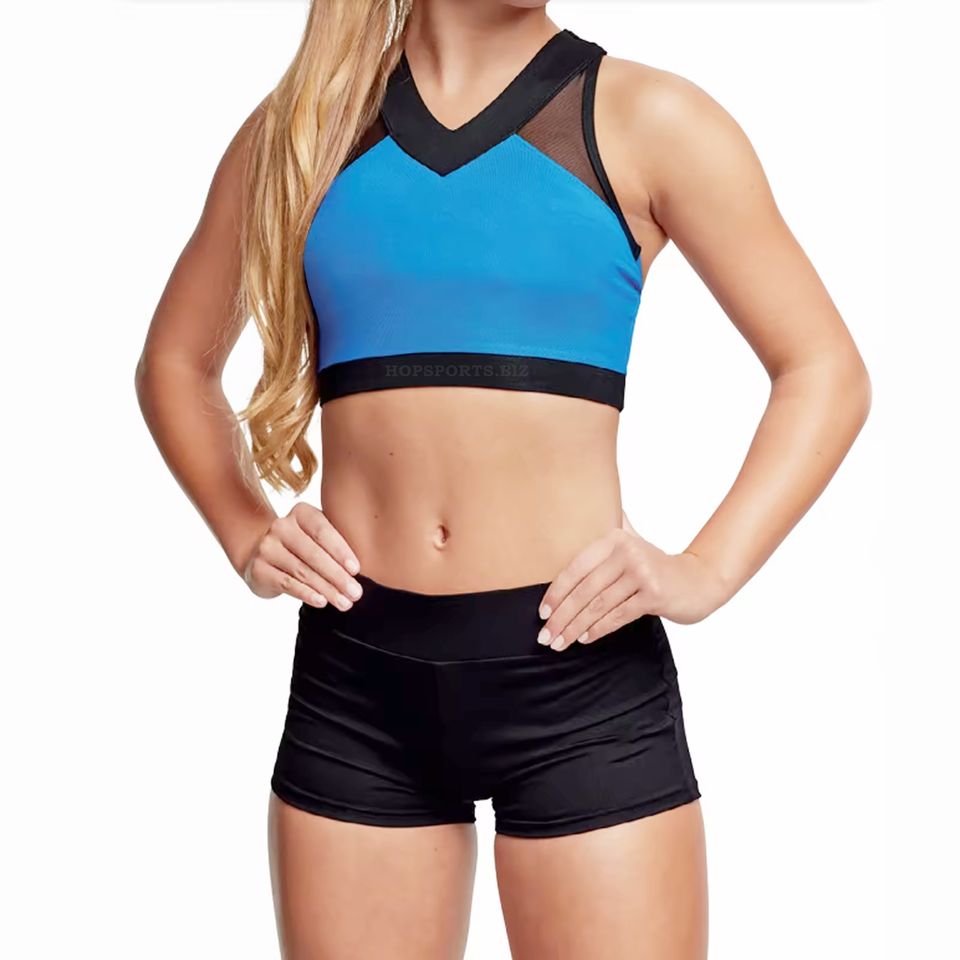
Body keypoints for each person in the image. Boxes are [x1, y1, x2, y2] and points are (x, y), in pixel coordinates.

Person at [134, 1, 871, 957]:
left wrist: (706, 569)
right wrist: (245, 531)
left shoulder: (647, 119)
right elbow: (176, 363)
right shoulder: (308, 127)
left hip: (580, 681)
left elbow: (823, 369)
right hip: (357, 687)